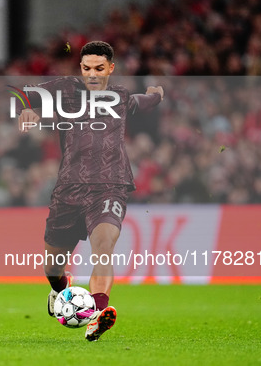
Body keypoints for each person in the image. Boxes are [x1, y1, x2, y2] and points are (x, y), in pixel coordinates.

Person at [18, 41, 163, 341]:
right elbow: (19, 92)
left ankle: (97, 314)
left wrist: (157, 94)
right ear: (79, 68)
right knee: (52, 267)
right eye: (86, 68)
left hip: (110, 186)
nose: (92, 75)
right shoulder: (65, 89)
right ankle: (60, 291)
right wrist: (26, 110)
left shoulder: (120, 97)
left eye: (99, 68)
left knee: (104, 246)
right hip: (68, 188)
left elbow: (145, 102)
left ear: (111, 68)